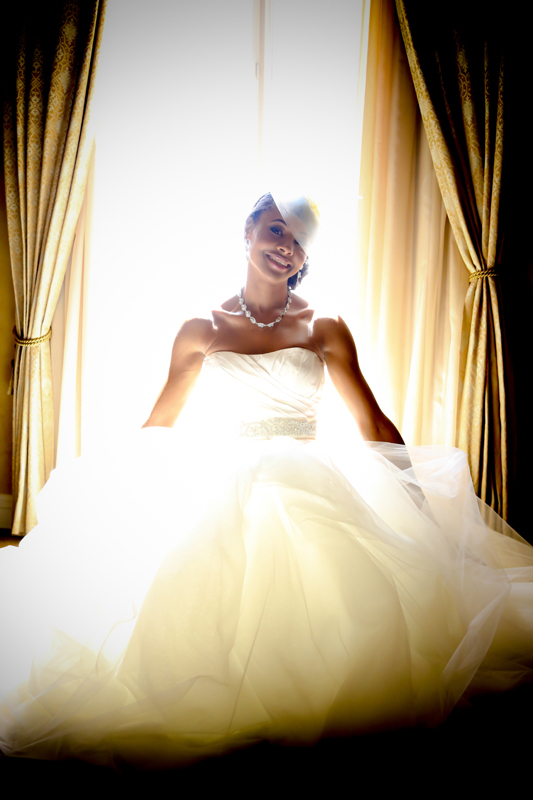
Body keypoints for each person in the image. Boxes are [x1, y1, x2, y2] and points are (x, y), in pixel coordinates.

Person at [0, 192, 532, 771]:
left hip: (310, 478)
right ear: (249, 231)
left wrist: (420, 503)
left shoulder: (324, 326)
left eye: (298, 241)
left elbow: (373, 422)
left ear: (306, 257)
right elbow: (160, 423)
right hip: (225, 478)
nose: (286, 247)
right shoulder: (200, 328)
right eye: (277, 230)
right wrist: (115, 492)